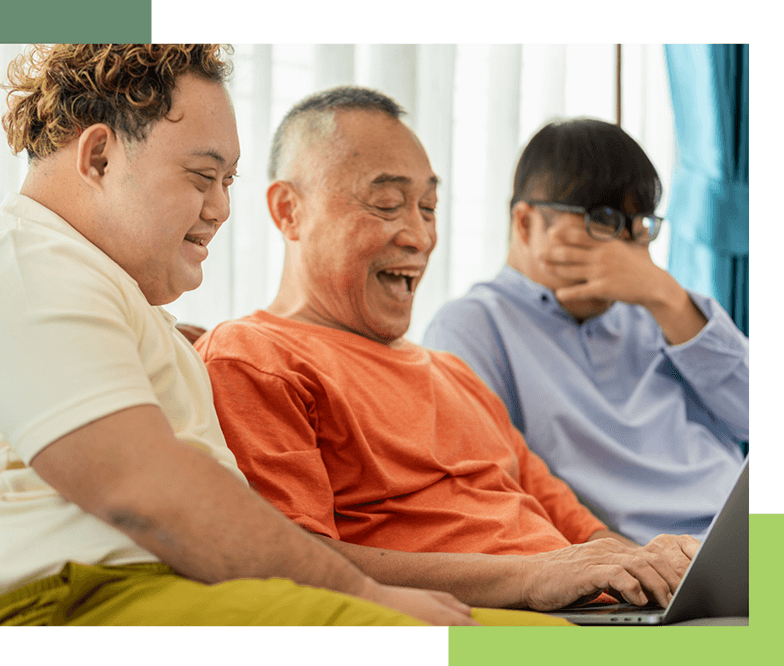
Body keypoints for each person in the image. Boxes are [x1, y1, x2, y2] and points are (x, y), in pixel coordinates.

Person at [0, 44, 481, 627]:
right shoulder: (22, 266)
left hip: (142, 595)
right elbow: (142, 490)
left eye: (229, 181)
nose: (221, 208)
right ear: (100, 157)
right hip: (54, 606)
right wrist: (365, 595)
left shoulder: (101, 293)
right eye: (201, 176)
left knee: (532, 642)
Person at [195, 86, 700, 613]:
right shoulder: (254, 357)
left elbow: (577, 527)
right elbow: (295, 562)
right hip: (491, 620)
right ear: (288, 210)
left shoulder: (453, 373)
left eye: (429, 208)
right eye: (388, 203)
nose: (419, 235)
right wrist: (532, 575)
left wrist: (652, 566)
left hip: (600, 613)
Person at [422, 118, 748, 545]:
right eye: (604, 220)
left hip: (753, 535)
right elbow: (490, 489)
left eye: (641, 227)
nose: (628, 251)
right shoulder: (474, 326)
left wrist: (668, 298)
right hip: (655, 560)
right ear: (525, 224)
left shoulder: (661, 310)